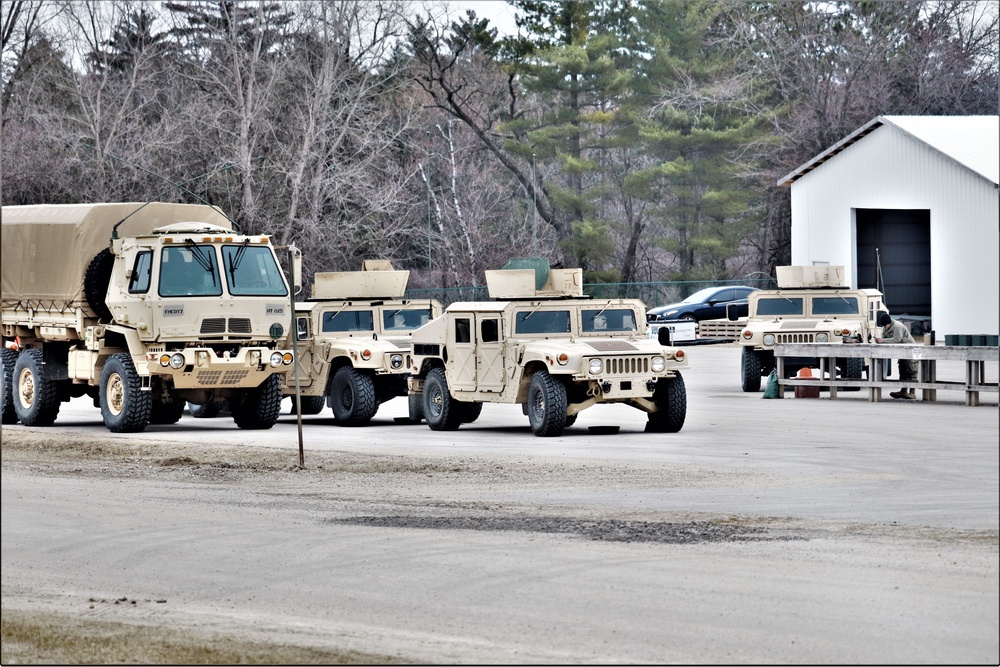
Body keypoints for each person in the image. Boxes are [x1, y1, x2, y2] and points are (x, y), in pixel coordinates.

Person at [875, 311, 918, 399]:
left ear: (889, 323)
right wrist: (880, 340)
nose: (884, 328)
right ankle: (903, 391)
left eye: (885, 326)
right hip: (902, 352)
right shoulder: (886, 327)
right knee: (902, 370)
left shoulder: (898, 326)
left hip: (912, 350)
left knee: (911, 370)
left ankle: (912, 392)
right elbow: (886, 338)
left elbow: (896, 339)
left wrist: (882, 340)